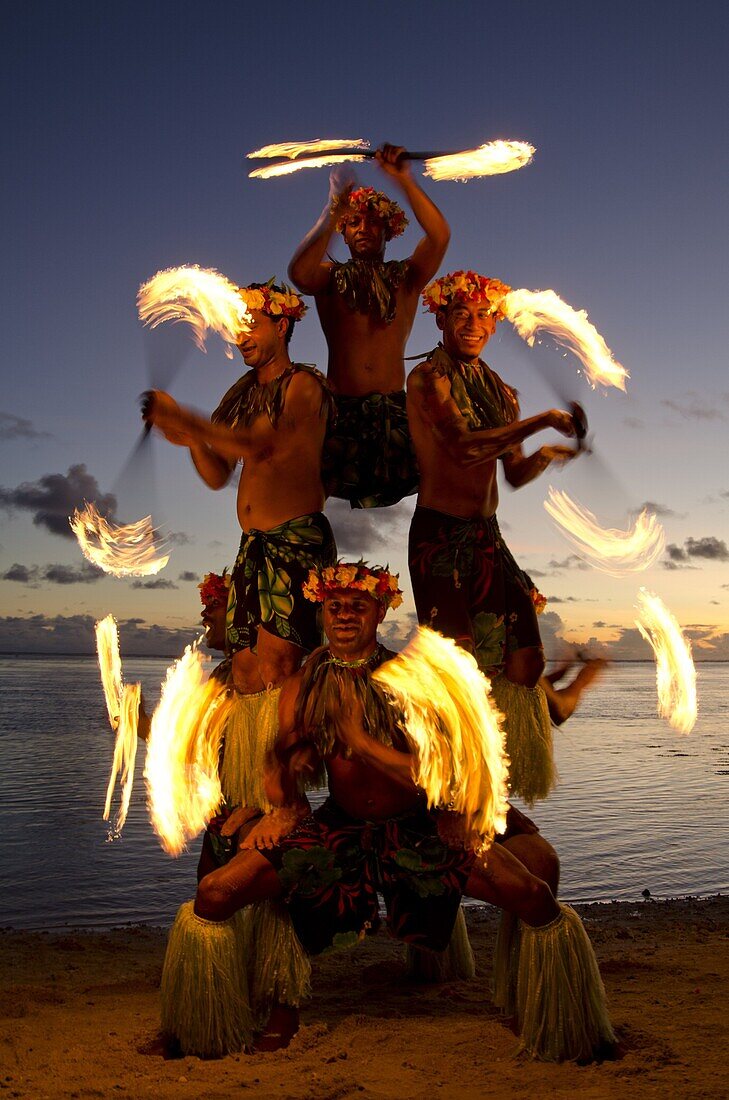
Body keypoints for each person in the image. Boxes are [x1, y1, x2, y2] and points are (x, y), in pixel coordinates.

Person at [159, 563, 614, 1063]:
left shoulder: (410, 679)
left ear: (380, 611)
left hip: (418, 826)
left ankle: (556, 1016)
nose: (345, 615)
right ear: (322, 612)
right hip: (341, 825)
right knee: (215, 892)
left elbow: (440, 767)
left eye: (358, 606)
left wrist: (364, 745)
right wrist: (281, 802)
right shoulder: (303, 685)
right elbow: (282, 764)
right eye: (335, 607)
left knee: (532, 894)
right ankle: (238, 1019)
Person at [406, 271, 584, 805]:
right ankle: (453, 782)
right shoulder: (427, 379)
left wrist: (547, 455)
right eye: (461, 314)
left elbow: (511, 472)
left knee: (525, 662)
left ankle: (507, 772)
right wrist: (543, 421)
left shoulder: (499, 388)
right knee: (458, 669)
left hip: (488, 536)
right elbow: (461, 449)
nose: (473, 324)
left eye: (483, 315)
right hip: (439, 535)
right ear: (439, 318)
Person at [288, 146, 450, 507]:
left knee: (436, 486)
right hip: (339, 413)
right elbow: (299, 274)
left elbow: (439, 236)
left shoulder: (405, 279)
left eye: (373, 221)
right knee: (310, 497)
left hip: (393, 412)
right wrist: (334, 209)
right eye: (354, 222)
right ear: (343, 233)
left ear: (389, 230)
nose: (364, 229)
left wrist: (402, 179)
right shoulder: (329, 279)